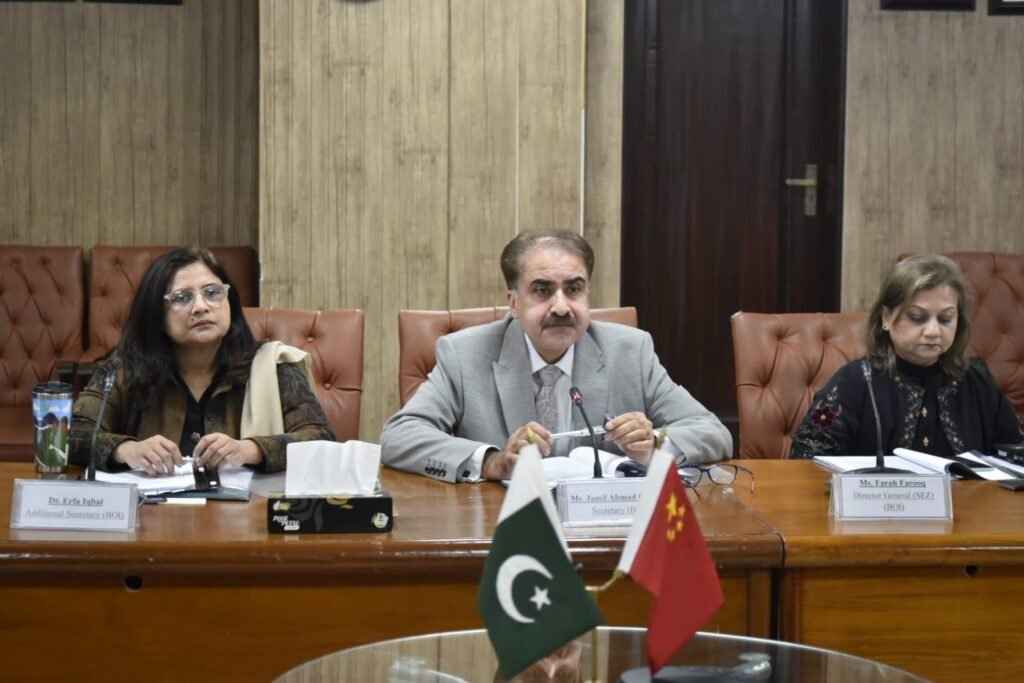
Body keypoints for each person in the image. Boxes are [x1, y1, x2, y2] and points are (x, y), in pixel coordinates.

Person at [380, 229, 732, 482]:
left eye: (574, 289)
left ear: (588, 295)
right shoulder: (464, 355)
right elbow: (399, 436)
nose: (561, 307)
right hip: (503, 530)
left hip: (605, 531)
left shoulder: (630, 351)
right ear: (513, 302)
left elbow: (712, 432)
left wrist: (653, 443)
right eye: (542, 290)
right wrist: (493, 462)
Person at [70, 247, 334, 474]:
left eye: (212, 292)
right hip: (153, 513)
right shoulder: (127, 366)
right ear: (156, 314)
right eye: (182, 298)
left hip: (248, 514)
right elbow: (71, 436)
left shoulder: (270, 366)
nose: (201, 306)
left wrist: (250, 450)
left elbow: (321, 440)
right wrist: (127, 450)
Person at [791, 254, 1023, 459]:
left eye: (945, 319)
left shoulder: (978, 381)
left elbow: (1016, 454)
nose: (933, 331)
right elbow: (807, 457)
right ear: (886, 317)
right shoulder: (856, 382)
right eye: (917, 317)